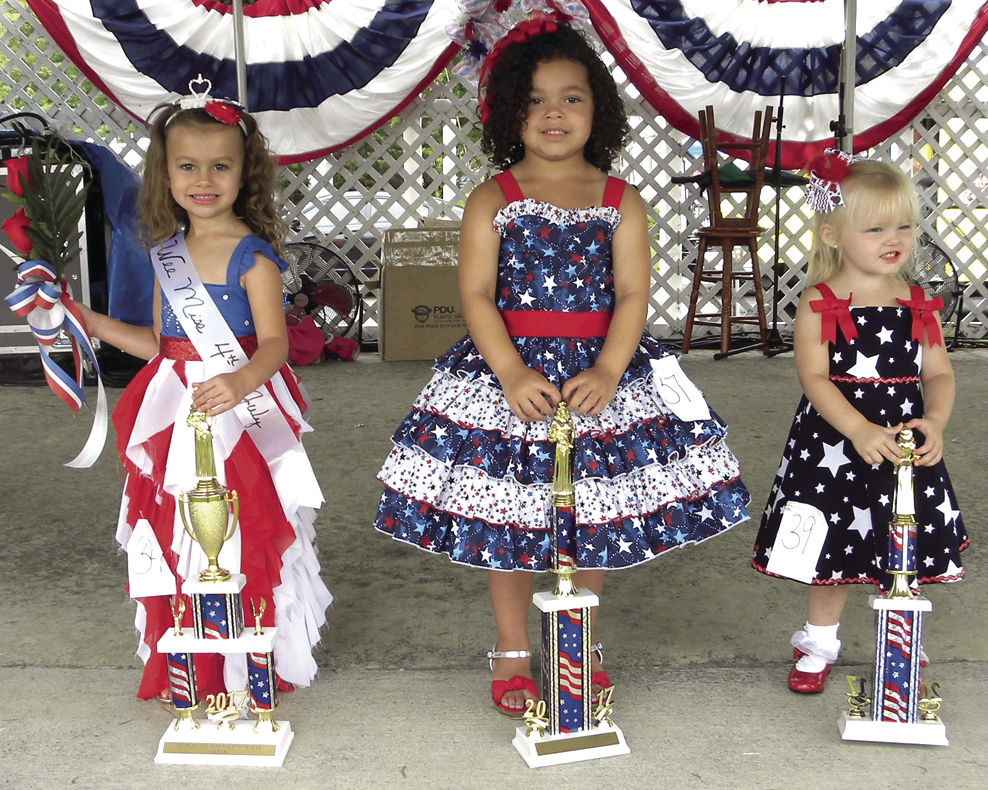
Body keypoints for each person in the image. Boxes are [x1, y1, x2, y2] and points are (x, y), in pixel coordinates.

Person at [375, 18, 750, 717]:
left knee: (594, 512)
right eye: (536, 98)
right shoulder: (493, 198)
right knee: (510, 515)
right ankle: (514, 647)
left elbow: (634, 293)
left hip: (596, 379)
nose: (554, 112)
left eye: (572, 97)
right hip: (511, 379)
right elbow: (476, 295)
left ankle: (580, 643)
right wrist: (511, 373)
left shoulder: (620, 200)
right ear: (510, 112)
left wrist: (611, 370)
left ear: (598, 110)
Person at [77, 77, 332, 700]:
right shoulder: (168, 253)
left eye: (220, 166)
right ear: (165, 175)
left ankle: (248, 663)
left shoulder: (254, 256)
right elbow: (162, 344)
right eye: (187, 166)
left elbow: (274, 344)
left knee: (241, 525)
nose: (204, 179)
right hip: (172, 405)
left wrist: (240, 379)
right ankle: (194, 661)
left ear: (245, 174)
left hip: (236, 407)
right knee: (177, 528)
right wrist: (89, 321)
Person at [751, 154, 968, 693]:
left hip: (903, 447)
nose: (893, 238)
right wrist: (859, 429)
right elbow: (815, 378)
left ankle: (901, 640)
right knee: (835, 546)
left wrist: (935, 421)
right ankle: (819, 642)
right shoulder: (821, 303)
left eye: (903, 225)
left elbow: (937, 373)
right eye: (875, 228)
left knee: (903, 544)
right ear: (833, 233)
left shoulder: (920, 303)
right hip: (838, 444)